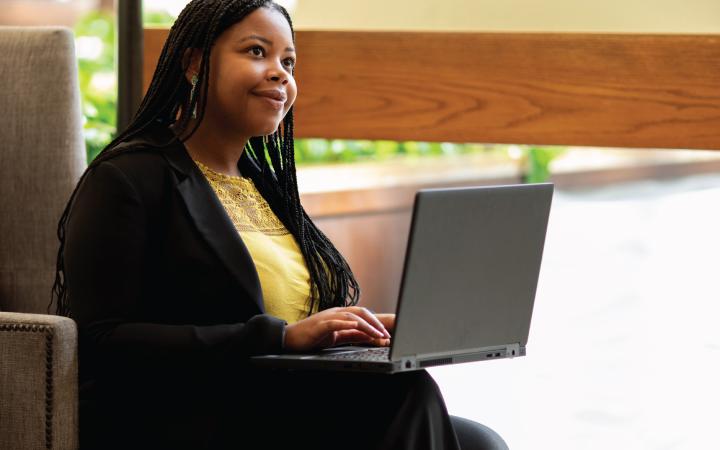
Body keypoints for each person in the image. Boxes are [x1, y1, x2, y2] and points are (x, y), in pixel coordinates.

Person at [50, 1, 508, 449]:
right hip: (186, 410)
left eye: (288, 61)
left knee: (478, 440)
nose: (280, 73)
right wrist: (282, 337)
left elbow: (288, 315)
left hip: (278, 397)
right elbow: (101, 339)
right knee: (405, 394)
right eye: (256, 52)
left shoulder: (264, 187)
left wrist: (351, 330)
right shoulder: (127, 178)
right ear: (194, 64)